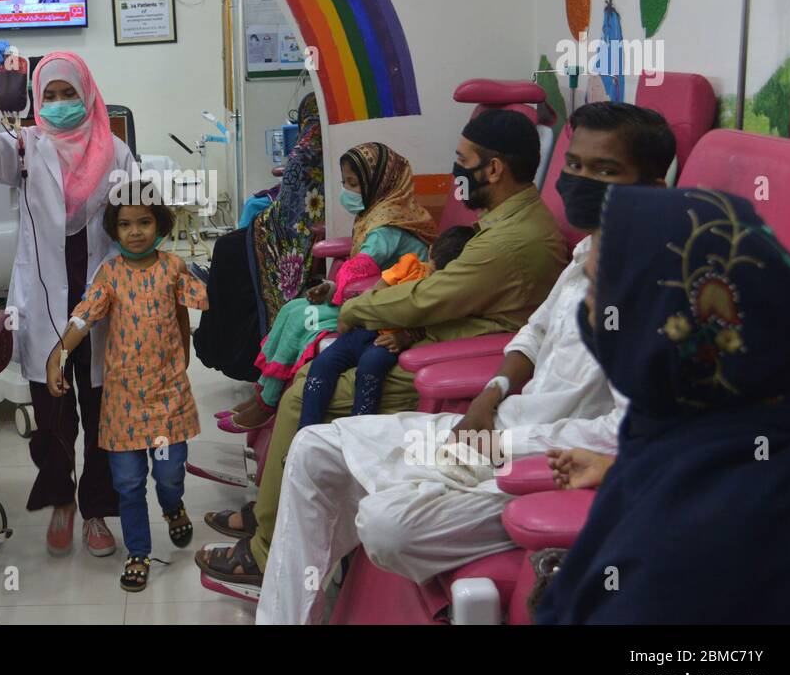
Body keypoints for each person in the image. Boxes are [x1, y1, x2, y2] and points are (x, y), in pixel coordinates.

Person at [253, 102, 675, 623]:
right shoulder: (587, 251)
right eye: (575, 167)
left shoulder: (658, 290)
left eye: (605, 171)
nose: (582, 181)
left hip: (543, 464)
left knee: (386, 525)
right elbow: (534, 333)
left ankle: (402, 494)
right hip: (493, 425)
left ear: (653, 190)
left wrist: (503, 443)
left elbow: (624, 433)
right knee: (316, 447)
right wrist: (492, 393)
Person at [198, 107, 569, 591]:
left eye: (462, 160)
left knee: (302, 394)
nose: (455, 171)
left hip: (444, 361)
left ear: (493, 169)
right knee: (306, 365)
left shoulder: (512, 241)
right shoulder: (505, 222)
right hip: (426, 337)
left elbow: (428, 297)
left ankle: (268, 553)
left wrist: (356, 308)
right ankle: (274, 513)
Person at [537, 186, 790, 624]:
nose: (587, 309)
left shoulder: (683, 550)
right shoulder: (731, 434)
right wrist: (617, 467)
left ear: (658, 322)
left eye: (596, 288)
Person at [0, 39, 137, 558]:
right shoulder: (25, 145)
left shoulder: (117, 151)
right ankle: (61, 499)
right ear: (37, 97)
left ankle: (97, 512)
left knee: (102, 412)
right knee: (53, 413)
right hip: (43, 304)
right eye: (51, 92)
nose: (61, 101)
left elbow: (135, 227)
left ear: (87, 94)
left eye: (69, 92)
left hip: (100, 304)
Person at [46, 182, 209, 591]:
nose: (135, 231)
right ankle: (138, 551)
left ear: (160, 224)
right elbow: (84, 317)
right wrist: (58, 354)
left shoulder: (173, 268)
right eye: (125, 224)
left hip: (167, 399)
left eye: (144, 222)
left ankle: (173, 508)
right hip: (122, 405)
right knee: (128, 484)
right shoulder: (110, 274)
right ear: (113, 230)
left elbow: (192, 307)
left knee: (169, 473)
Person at [221, 142, 439, 431]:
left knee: (301, 319)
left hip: (382, 311)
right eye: (344, 182)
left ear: (379, 182)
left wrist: (333, 289)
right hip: (366, 297)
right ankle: (263, 393)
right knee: (290, 310)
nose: (347, 191)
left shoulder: (387, 226)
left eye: (353, 183)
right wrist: (330, 286)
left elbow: (361, 269)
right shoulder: (381, 212)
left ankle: (269, 403)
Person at [194, 94, 325, 382]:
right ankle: (218, 342)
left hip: (295, 237)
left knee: (229, 252)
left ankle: (226, 348)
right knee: (230, 247)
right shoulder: (314, 142)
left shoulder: (310, 146)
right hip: (286, 226)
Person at [297, 225, 475, 429]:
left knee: (369, 367)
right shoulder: (410, 265)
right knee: (324, 363)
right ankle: (308, 426)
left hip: (385, 340)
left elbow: (423, 327)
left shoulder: (440, 290)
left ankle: (356, 426)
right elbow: (379, 289)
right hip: (367, 329)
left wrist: (401, 338)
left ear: (431, 249)